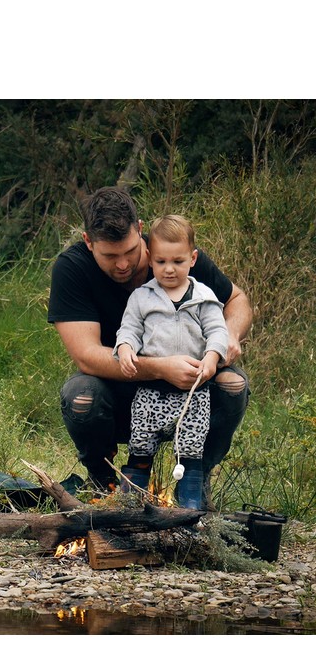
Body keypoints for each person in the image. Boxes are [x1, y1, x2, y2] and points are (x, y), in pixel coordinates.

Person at [47, 186, 251, 500]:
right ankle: (104, 482)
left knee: (233, 384)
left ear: (139, 230)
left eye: (130, 251)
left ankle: (197, 478)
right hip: (120, 392)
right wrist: (159, 368)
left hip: (191, 390)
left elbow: (237, 300)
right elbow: (87, 356)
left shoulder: (173, 256)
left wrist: (230, 335)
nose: (122, 264)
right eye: (109, 256)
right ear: (88, 242)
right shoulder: (72, 268)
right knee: (80, 395)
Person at [114, 215, 229, 509]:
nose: (169, 269)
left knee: (191, 448)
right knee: (141, 443)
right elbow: (129, 329)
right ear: (150, 258)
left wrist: (212, 357)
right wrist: (125, 348)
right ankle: (131, 499)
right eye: (161, 261)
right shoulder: (142, 297)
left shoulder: (203, 296)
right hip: (151, 389)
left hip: (193, 392)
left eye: (178, 261)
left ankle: (189, 502)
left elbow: (218, 331)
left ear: (192, 259)